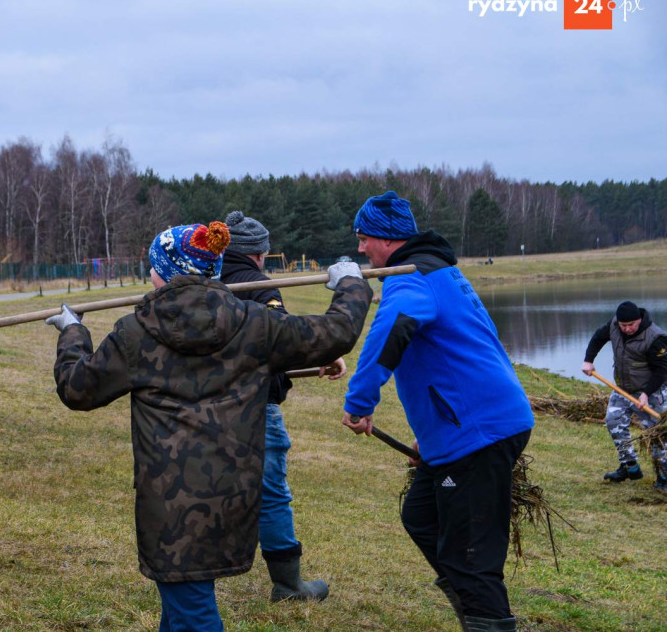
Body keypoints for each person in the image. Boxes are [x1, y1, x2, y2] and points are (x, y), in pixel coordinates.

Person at [47, 221, 372, 631]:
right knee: (183, 604)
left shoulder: (135, 334)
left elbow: (77, 389)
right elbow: (336, 332)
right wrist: (351, 284)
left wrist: (72, 332)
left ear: (160, 271)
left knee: (193, 612)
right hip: (231, 494)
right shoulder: (256, 325)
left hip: (170, 506)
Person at [340, 191, 534, 632]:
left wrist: (359, 402)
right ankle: (473, 609)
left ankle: (487, 618)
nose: (360, 249)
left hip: (479, 431)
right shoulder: (439, 271)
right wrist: (427, 437)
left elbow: (389, 332)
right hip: (469, 425)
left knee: (469, 553)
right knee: (422, 516)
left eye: (363, 238)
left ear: (385, 239)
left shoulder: (411, 279)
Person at [220, 210, 344, 602]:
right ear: (257, 254)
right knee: (271, 491)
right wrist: (323, 353)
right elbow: (281, 339)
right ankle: (289, 585)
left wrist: (314, 363)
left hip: (209, 406)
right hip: (257, 406)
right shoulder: (258, 284)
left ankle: (199, 577)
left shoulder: (205, 282)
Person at [581, 301, 667, 492]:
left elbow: (662, 372)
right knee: (614, 421)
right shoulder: (614, 325)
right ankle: (630, 467)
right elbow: (598, 337)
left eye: (631, 325)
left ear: (639, 320)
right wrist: (588, 360)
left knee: (657, 435)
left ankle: (664, 478)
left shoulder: (655, 337)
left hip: (651, 391)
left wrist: (646, 394)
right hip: (623, 389)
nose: (627, 329)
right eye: (623, 326)